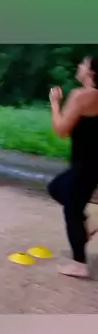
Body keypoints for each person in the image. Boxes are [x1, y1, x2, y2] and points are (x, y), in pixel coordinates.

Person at [48, 55, 98, 278]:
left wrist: (55, 104)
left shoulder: (81, 96)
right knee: (56, 188)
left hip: (86, 163)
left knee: (72, 208)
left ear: (91, 72)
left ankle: (79, 263)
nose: (79, 66)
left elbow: (62, 130)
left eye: (83, 64)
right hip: (91, 164)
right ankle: (86, 225)